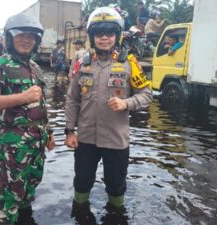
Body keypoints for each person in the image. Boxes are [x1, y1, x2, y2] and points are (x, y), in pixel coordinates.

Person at [64, 6, 153, 224]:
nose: (104, 38)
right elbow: (72, 99)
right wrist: (69, 131)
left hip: (116, 139)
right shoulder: (81, 62)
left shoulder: (130, 63)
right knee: (82, 181)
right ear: (92, 37)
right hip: (85, 138)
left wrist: (126, 103)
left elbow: (147, 95)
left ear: (117, 35)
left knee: (116, 184)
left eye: (109, 33)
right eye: (99, 33)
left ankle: (116, 217)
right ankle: (81, 215)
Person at [0, 13, 55, 225]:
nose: (26, 40)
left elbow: (40, 104)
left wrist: (49, 133)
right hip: (12, 144)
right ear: (10, 38)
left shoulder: (34, 68)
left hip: (36, 142)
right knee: (9, 196)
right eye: (21, 35)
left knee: (29, 190)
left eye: (31, 36)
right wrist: (22, 97)